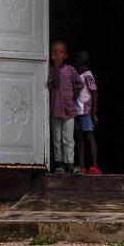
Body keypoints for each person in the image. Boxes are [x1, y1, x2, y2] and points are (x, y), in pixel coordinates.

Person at [47, 41, 83, 175]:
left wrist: (73, 94)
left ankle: (70, 165)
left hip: (69, 110)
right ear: (51, 55)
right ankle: (60, 165)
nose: (57, 54)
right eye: (55, 52)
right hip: (56, 111)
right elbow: (55, 83)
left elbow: (80, 84)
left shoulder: (70, 70)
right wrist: (56, 66)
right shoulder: (51, 70)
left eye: (60, 52)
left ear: (65, 55)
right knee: (57, 139)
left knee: (68, 139)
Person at [73, 50, 101, 175]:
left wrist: (93, 112)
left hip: (86, 111)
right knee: (79, 137)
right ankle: (82, 165)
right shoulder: (79, 75)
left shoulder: (88, 76)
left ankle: (94, 165)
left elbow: (95, 94)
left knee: (89, 137)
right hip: (77, 111)